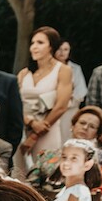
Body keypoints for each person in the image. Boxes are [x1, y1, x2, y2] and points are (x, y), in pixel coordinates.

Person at [15, 25, 74, 180]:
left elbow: (61, 106)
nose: (34, 47)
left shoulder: (63, 70)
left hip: (48, 130)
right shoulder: (24, 73)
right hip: (23, 128)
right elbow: (15, 103)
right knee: (20, 175)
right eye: (33, 43)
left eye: (40, 43)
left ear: (51, 46)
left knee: (46, 175)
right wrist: (30, 122)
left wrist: (35, 135)